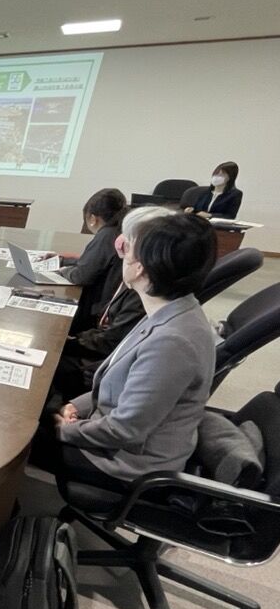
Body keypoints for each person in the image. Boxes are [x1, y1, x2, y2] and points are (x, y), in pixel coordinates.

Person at [51, 213, 217, 487]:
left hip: (125, 464)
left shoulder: (172, 342)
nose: (122, 253)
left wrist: (65, 430)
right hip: (110, 433)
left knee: (17, 431)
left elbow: (124, 430)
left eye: (128, 248)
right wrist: (75, 406)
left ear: (140, 267)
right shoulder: (170, 310)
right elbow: (116, 387)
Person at [47, 206, 167, 407]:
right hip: (104, 358)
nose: (118, 247)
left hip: (102, 370)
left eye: (127, 243)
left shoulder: (145, 296)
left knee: (47, 359)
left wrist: (66, 342)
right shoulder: (135, 283)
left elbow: (112, 341)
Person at [58, 188, 128, 326]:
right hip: (109, 306)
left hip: (93, 312)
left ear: (92, 218)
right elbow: (94, 263)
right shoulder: (119, 230)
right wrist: (63, 261)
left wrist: (62, 271)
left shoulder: (106, 236)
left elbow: (81, 276)